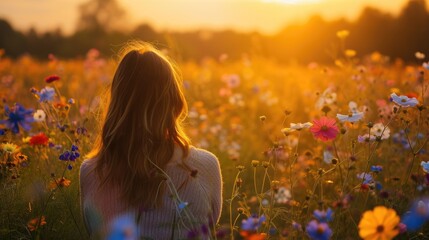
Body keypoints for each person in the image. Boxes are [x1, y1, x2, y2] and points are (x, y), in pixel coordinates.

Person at [79, 41, 222, 239]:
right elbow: (208, 228)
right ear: (175, 101)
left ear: (117, 101)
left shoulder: (92, 172)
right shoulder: (205, 167)